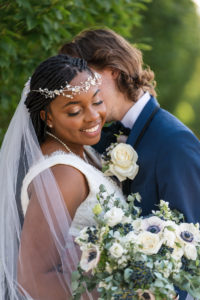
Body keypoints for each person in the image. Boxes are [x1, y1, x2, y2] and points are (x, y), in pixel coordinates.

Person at [59, 28, 200, 300]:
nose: (81, 92)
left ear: (113, 69)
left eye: (86, 80)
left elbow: (193, 254)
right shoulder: (100, 138)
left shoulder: (175, 142)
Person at [0, 54, 126, 299]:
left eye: (97, 100)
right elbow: (33, 280)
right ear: (47, 117)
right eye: (75, 111)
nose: (92, 116)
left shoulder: (83, 151)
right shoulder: (63, 173)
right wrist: (123, 292)